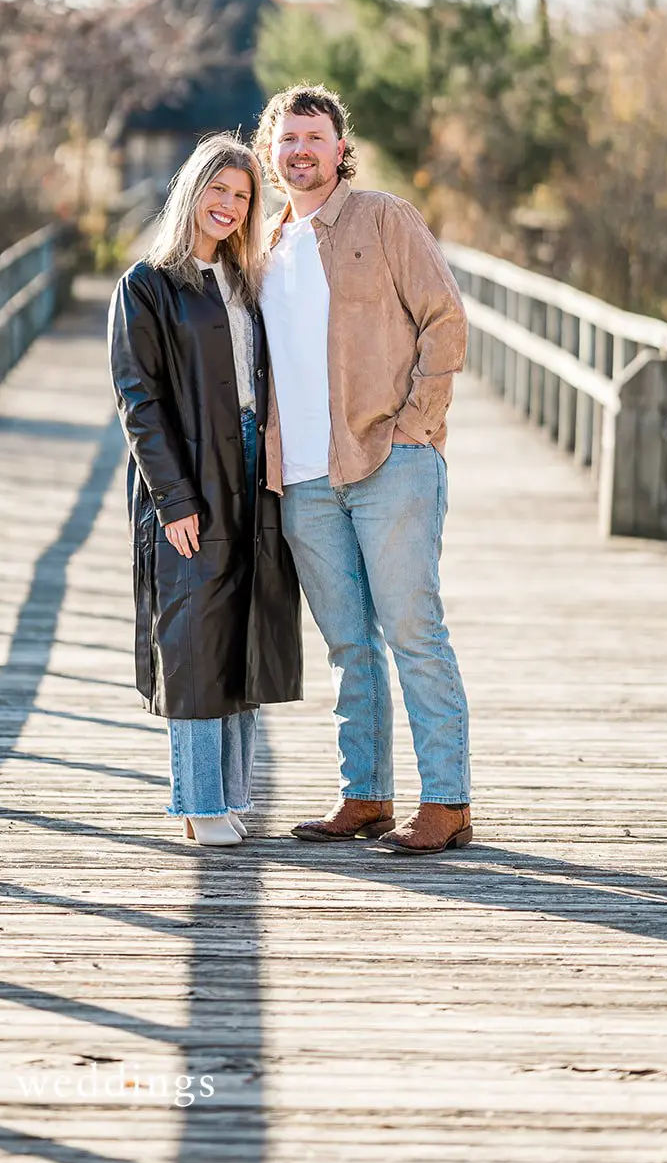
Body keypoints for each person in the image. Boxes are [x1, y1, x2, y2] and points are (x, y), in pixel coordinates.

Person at [254, 83, 472, 855]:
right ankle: (365, 793)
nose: (301, 151)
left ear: (340, 150)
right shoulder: (265, 245)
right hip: (303, 479)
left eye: (315, 138)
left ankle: (446, 801)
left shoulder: (382, 218)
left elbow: (445, 321)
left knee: (414, 632)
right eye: (288, 139)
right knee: (350, 644)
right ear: (270, 151)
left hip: (389, 462)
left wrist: (416, 429)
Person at [108, 134, 303, 847]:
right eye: (218, 190)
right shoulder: (146, 286)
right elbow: (139, 400)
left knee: (242, 633)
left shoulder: (249, 283)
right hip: (189, 472)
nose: (228, 205)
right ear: (192, 192)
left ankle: (230, 794)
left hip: (254, 466)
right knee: (192, 638)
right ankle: (195, 801)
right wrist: (173, 500)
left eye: (242, 196)